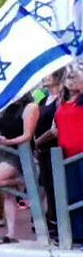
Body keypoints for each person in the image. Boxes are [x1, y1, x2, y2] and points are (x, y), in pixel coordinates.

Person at [0, 93, 40, 244]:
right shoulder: (6, 107)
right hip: (4, 151)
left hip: (21, 153)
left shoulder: (30, 107)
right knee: (8, 195)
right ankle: (11, 233)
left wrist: (7, 142)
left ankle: (22, 180)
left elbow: (27, 135)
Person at [34, 69, 64, 237]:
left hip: (55, 150)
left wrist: (37, 142)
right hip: (43, 151)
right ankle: (52, 220)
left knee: (57, 187)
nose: (44, 76)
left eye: (49, 74)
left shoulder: (61, 99)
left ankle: (59, 223)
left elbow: (56, 129)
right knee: (48, 187)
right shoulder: (44, 99)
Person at [55, 66, 83, 244]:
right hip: (65, 157)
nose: (72, 79)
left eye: (76, 76)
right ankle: (77, 234)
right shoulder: (62, 103)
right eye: (69, 77)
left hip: (81, 155)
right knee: (72, 195)